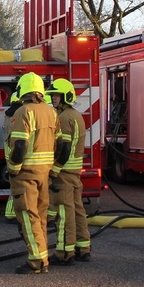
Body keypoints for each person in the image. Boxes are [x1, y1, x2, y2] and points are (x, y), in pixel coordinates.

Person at [7, 72, 59, 274]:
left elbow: (19, 145)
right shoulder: (51, 112)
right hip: (44, 173)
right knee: (41, 216)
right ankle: (43, 254)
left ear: (23, 90)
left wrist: (13, 169)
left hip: (26, 173)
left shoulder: (23, 111)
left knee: (28, 217)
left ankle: (36, 261)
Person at [47, 78, 92, 265]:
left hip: (64, 172)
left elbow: (64, 148)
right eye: (52, 95)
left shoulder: (64, 118)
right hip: (74, 172)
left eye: (56, 95)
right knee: (77, 210)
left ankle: (65, 253)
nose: (53, 98)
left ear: (66, 96)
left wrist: (54, 169)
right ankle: (83, 248)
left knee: (65, 213)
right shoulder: (76, 115)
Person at [3, 92, 23, 221]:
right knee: (16, 186)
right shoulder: (20, 115)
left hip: (8, 151)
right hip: (16, 152)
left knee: (14, 184)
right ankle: (10, 213)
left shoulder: (7, 114)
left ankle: (11, 211)